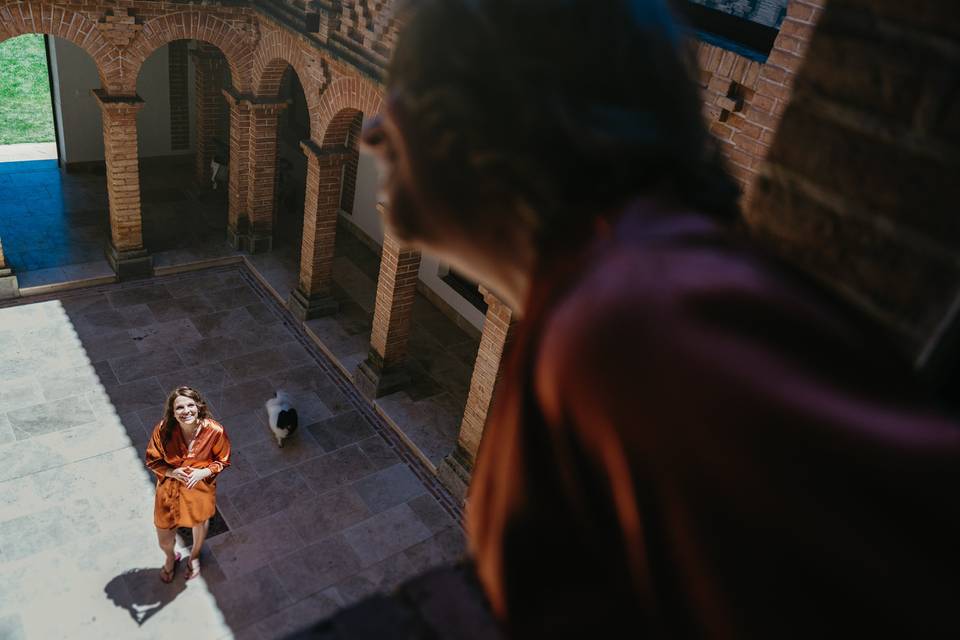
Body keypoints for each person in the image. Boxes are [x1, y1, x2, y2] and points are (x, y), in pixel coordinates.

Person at [360, 0, 960, 637]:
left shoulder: (630, 325)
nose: (373, 127)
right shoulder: (606, 294)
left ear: (485, 114)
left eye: (409, 84)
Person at [145, 386, 231, 582]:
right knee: (164, 538)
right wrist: (171, 472)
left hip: (199, 491)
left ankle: (193, 557)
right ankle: (170, 557)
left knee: (199, 524)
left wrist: (204, 471)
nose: (186, 411)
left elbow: (223, 460)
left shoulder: (214, 431)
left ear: (199, 406)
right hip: (169, 491)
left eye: (190, 405)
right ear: (173, 413)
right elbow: (152, 460)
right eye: (180, 408)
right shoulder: (163, 430)